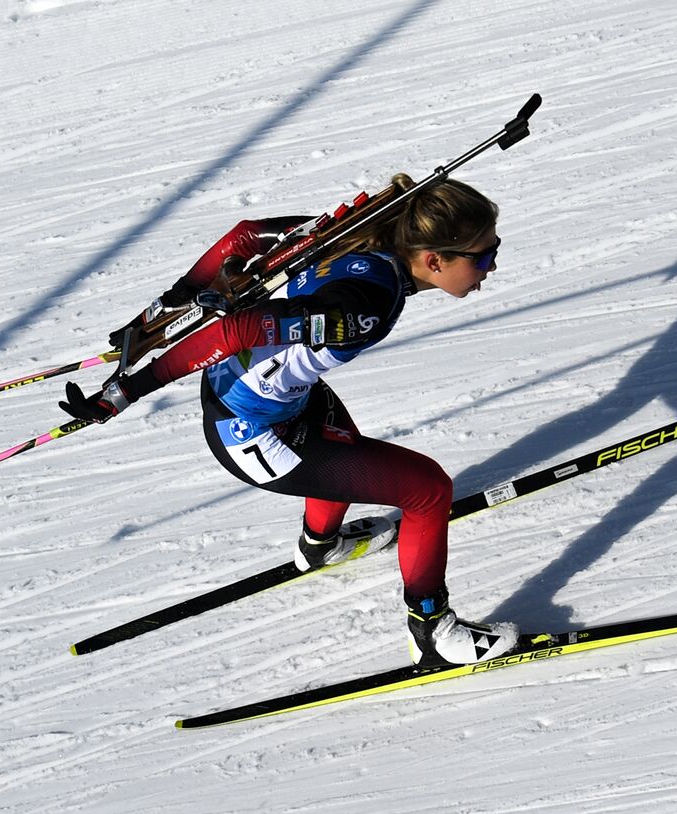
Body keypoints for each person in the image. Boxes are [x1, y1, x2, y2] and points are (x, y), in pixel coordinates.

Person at [59, 177, 517, 667]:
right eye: (483, 256)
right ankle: (433, 635)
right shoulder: (367, 305)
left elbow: (246, 235)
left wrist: (172, 302)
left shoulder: (363, 235)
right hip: (253, 434)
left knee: (343, 449)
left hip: (264, 397)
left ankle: (320, 546)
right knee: (427, 490)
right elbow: (237, 328)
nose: (490, 267)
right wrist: (127, 390)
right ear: (434, 260)